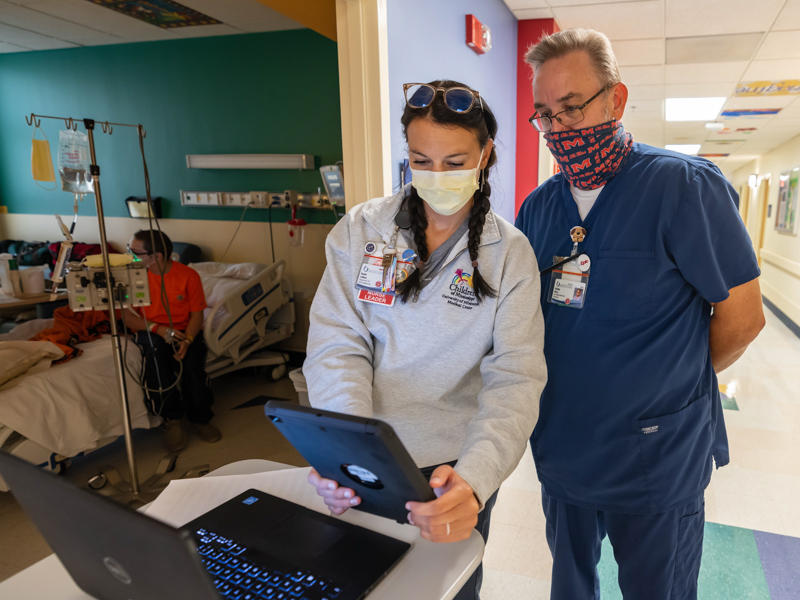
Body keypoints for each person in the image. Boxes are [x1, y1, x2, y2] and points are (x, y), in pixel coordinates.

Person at [515, 28, 765, 600]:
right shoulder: (539, 207)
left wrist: (671, 382)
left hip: (656, 454)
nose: (558, 129)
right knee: (571, 586)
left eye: (572, 108)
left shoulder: (684, 187)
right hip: (565, 447)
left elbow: (744, 318)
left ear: (616, 100)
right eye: (544, 115)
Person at [304, 80, 547, 600]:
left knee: (446, 589)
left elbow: (516, 376)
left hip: (455, 466)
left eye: (456, 161)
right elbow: (338, 344)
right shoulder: (363, 230)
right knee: (358, 583)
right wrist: (345, 447)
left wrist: (477, 480)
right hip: (367, 455)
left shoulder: (509, 254)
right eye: (422, 160)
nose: (437, 177)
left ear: (486, 155)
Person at [124, 229, 220, 451]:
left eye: (135, 252)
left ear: (155, 256)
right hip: (150, 328)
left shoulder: (187, 276)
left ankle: (200, 420)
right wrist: (157, 329)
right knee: (157, 357)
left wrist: (187, 339)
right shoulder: (133, 277)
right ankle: (172, 420)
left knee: (194, 363)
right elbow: (128, 317)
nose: (131, 256)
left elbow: (197, 315)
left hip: (183, 330)